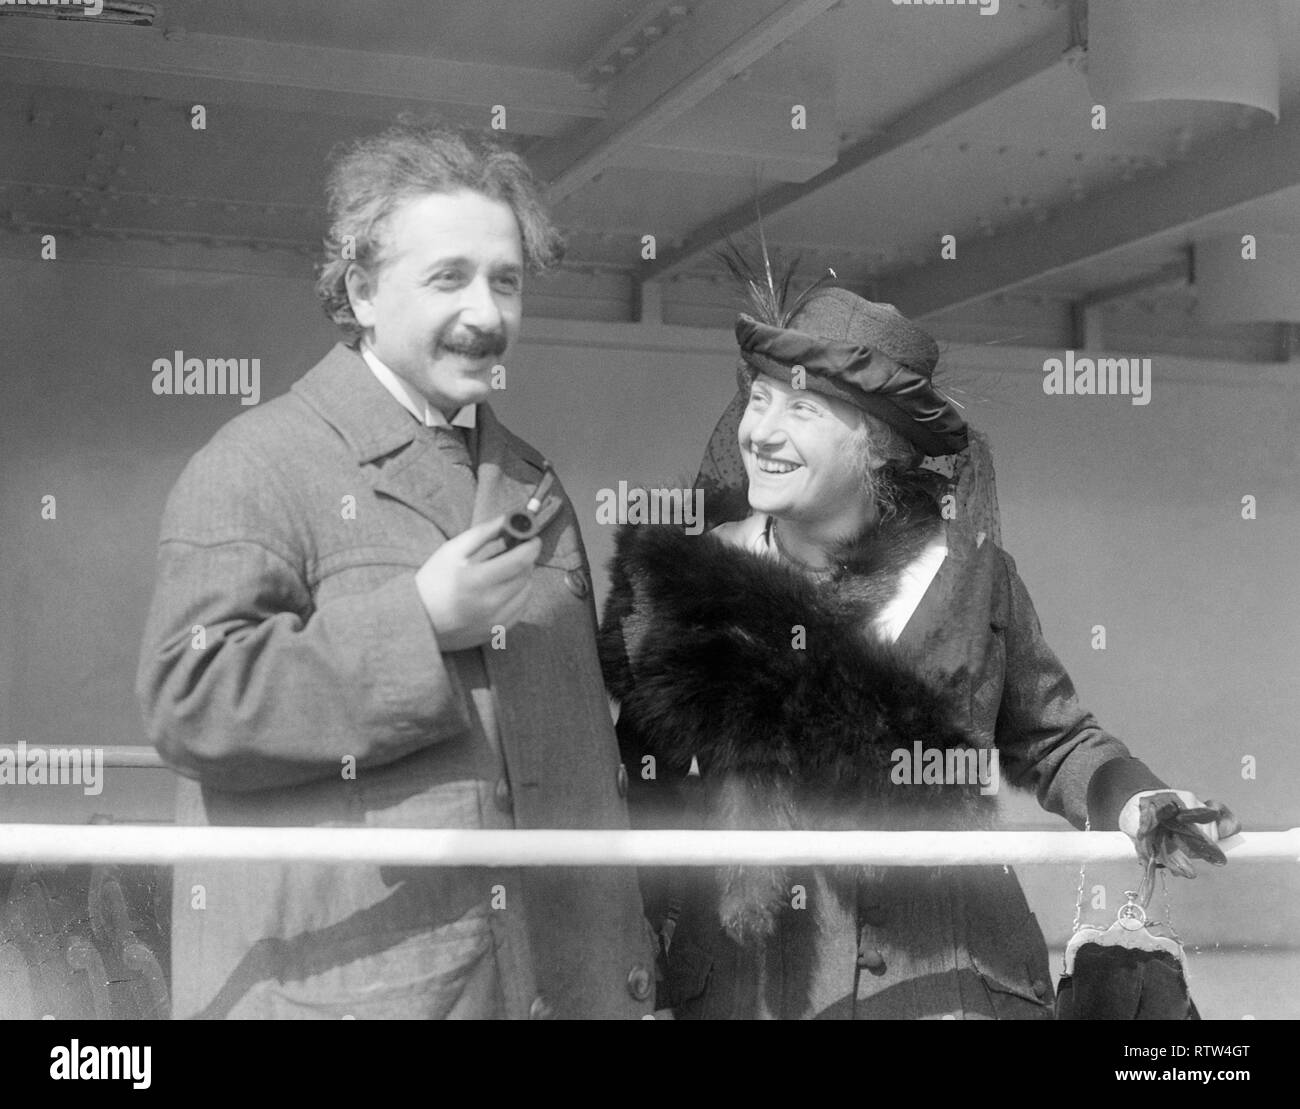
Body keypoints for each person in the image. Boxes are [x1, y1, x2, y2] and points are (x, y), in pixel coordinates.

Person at [598, 263, 1238, 1020]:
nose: (760, 431)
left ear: (880, 445)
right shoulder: (683, 589)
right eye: (758, 398)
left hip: (956, 983)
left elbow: (1058, 742)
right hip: (750, 994)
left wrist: (1135, 797)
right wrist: (643, 978)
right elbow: (646, 804)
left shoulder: (973, 578)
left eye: (801, 410)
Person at [136, 121, 655, 1019]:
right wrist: (418, 623)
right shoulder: (257, 460)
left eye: (506, 280)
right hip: (367, 991)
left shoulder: (533, 479)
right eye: (448, 277)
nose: (487, 313)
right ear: (362, 291)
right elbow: (191, 699)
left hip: (560, 983)